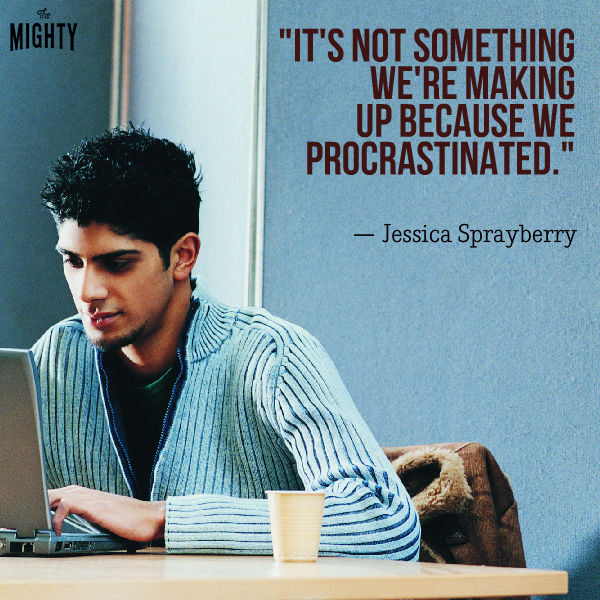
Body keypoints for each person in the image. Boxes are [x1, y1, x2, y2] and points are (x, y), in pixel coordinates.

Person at [33, 126, 421, 559]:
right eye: (73, 261)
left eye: (117, 264)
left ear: (183, 256)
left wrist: (162, 519)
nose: (87, 290)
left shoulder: (273, 357)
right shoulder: (54, 360)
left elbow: (384, 521)